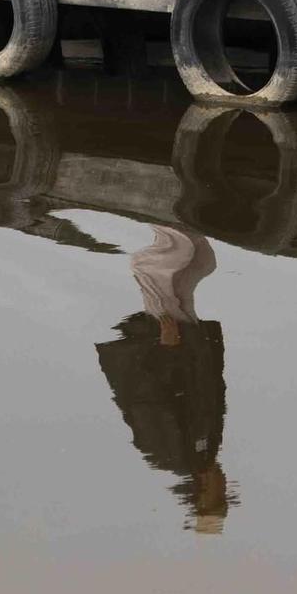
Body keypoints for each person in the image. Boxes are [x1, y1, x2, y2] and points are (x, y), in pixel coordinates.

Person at [94, 226, 233, 532]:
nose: (224, 487)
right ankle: (179, 217)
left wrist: (165, 347)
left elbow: (144, 398)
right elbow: (210, 395)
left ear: (201, 494)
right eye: (223, 494)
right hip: (191, 346)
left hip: (166, 338)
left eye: (218, 495)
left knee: (163, 269)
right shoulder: (206, 453)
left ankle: (162, 217)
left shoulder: (168, 454)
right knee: (203, 261)